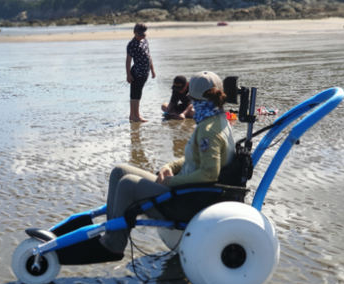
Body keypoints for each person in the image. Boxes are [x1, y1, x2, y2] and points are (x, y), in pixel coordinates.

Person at [57, 71, 235, 262]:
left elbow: (209, 174)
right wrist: (171, 166)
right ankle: (112, 229)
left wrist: (172, 181)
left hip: (186, 201)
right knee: (120, 171)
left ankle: (113, 245)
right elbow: (196, 159)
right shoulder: (216, 120)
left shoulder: (208, 131)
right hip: (186, 189)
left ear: (194, 98)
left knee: (127, 184)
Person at [126, 23, 156, 122]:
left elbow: (149, 56)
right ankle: (134, 115)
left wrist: (152, 70)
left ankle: (135, 115)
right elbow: (128, 61)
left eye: (143, 34)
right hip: (136, 73)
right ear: (134, 33)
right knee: (135, 94)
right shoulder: (132, 44)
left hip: (145, 72)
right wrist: (128, 75)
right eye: (140, 34)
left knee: (138, 94)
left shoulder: (145, 41)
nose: (142, 36)